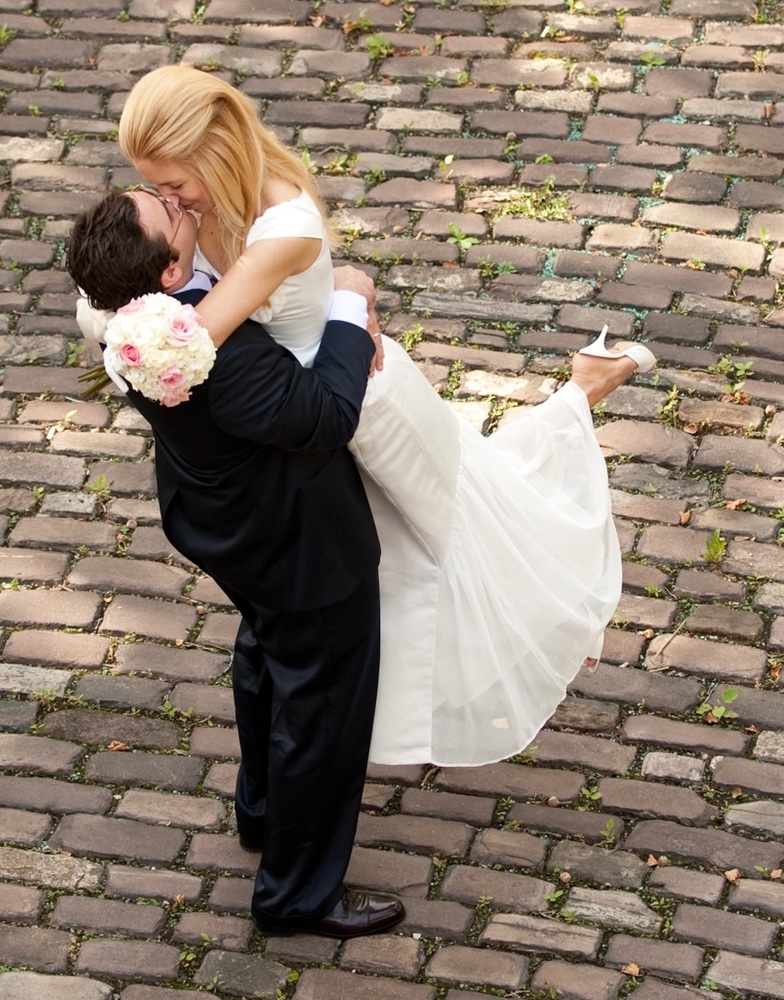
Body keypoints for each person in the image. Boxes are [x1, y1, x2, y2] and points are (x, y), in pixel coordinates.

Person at [107, 64, 658, 768]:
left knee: (460, 532)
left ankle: (580, 402)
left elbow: (190, 339)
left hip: (359, 402)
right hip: (307, 413)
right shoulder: (203, 206)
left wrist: (121, 328)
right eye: (155, 188)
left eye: (174, 184)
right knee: (385, 570)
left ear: (214, 153)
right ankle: (356, 726)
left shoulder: (281, 225)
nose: (168, 201)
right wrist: (345, 288)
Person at [67, 188, 406, 939]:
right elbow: (325, 415)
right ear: (166, 273)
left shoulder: (131, 320)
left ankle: (263, 810)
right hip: (301, 543)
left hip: (228, 524)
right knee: (321, 706)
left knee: (268, 653)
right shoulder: (219, 355)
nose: (178, 202)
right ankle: (297, 896)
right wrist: (349, 303)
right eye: (170, 213)